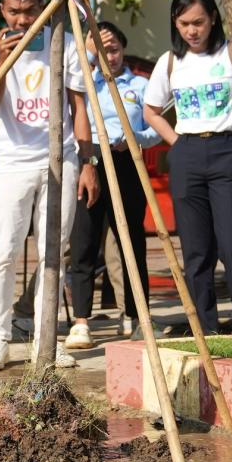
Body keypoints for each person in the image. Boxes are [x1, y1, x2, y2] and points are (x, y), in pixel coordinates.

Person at [0, 0, 99, 371]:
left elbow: (79, 107)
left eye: (30, 11)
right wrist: (1, 59)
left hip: (58, 159)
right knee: (5, 250)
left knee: (53, 252)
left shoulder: (63, 44)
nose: (23, 21)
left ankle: (47, 339)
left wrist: (88, 162)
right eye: (14, 12)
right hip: (12, 162)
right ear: (2, 10)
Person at [143, 0, 232, 335]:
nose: (192, 30)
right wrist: (177, 143)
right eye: (184, 23)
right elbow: (151, 111)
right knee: (196, 251)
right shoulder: (170, 62)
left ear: (213, 18)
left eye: (198, 22)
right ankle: (206, 330)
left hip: (229, 151)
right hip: (187, 156)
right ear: (175, 23)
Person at [67, 21, 160, 347]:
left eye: (115, 48)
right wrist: (86, 160)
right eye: (102, 49)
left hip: (127, 163)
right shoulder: (83, 83)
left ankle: (135, 316)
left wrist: (135, 138)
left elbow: (156, 129)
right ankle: (81, 320)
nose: (111, 55)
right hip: (91, 163)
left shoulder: (140, 86)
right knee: (84, 241)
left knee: (131, 241)